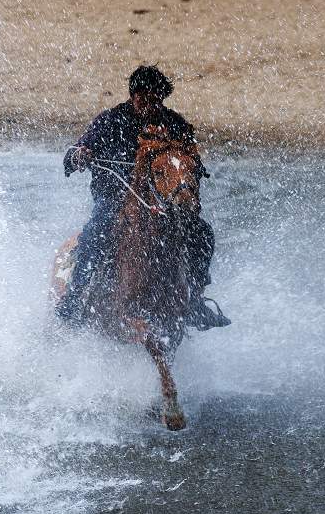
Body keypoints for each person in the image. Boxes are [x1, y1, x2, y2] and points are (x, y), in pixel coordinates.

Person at [57, 65, 230, 330]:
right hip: (114, 197)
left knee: (203, 233)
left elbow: (189, 161)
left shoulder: (175, 124)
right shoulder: (110, 120)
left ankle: (194, 300)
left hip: (164, 202)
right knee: (96, 232)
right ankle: (75, 296)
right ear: (133, 95)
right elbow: (75, 152)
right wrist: (79, 154)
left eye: (155, 99)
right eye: (143, 97)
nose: (148, 104)